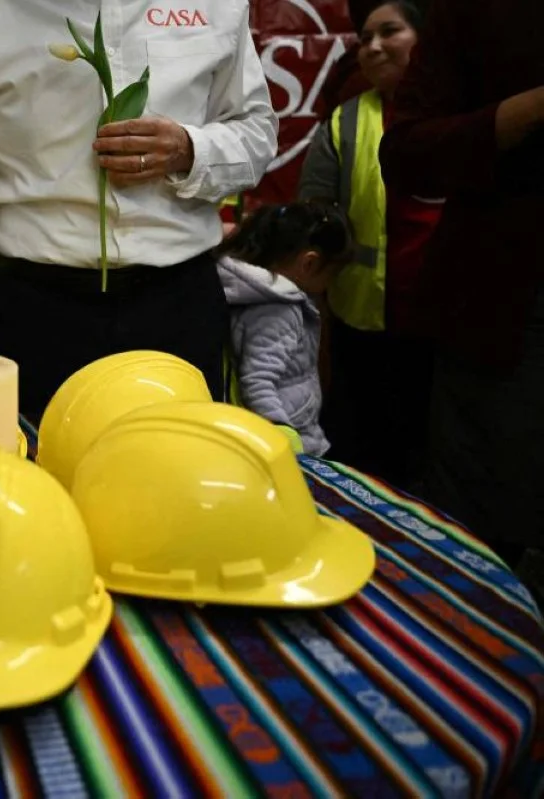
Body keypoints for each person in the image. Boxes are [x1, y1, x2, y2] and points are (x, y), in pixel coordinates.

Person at [0, 0, 278, 421]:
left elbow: (256, 134)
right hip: (41, 311)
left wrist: (191, 151)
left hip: (177, 300)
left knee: (177, 471)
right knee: (41, 477)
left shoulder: (215, 5)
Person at [379, 0, 544, 563]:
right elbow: (406, 154)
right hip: (504, 320)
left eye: (388, 32)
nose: (375, 47)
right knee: (483, 558)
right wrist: (525, 112)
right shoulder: (477, 13)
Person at [299, 0, 440, 488]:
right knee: (363, 455)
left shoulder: (463, 116)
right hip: (363, 327)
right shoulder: (344, 122)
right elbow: (312, 215)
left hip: (446, 328)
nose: (373, 46)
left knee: (436, 458)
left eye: (389, 32)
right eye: (364, 39)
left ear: (423, 39)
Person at [219, 202, 353, 457]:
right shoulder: (279, 310)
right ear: (309, 264)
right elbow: (258, 382)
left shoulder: (259, 296)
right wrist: (285, 440)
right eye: (332, 275)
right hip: (289, 443)